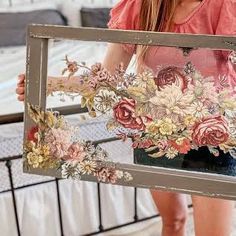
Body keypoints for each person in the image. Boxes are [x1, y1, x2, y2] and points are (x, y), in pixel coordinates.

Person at [17, 0, 236, 235]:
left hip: (212, 137)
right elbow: (105, 78)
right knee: (174, 222)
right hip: (155, 138)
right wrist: (46, 83)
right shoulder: (143, 6)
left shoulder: (225, 5)